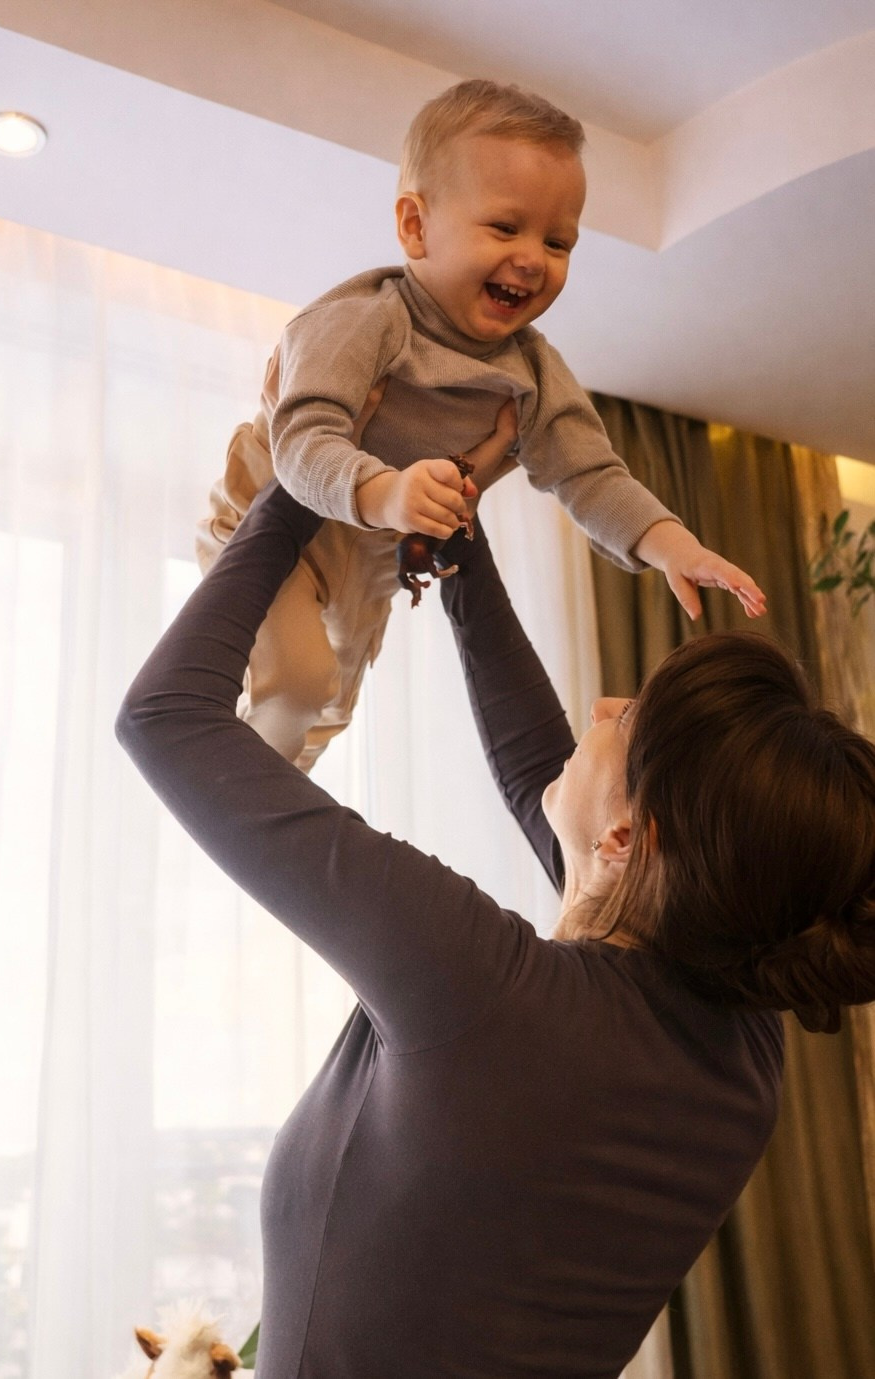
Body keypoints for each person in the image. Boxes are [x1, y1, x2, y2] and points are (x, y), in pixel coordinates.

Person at [117, 419, 875, 1379]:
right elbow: (540, 772)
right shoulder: (737, 1035)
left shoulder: (483, 990)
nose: (599, 710)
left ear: (626, 841)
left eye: (627, 718)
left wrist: (303, 480)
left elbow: (165, 720)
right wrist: (458, 547)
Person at [196, 78, 766, 771]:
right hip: (277, 515)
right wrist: (383, 493)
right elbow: (304, 437)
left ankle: (270, 795)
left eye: (558, 242)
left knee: (328, 705)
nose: (533, 257)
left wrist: (668, 544)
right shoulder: (364, 321)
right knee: (294, 679)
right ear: (415, 227)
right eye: (504, 226)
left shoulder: (530, 369)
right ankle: (225, 781)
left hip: (372, 557)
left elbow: (588, 472)